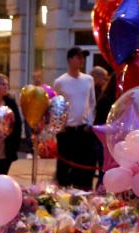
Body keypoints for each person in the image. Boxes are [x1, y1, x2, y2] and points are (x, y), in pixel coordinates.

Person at [53, 47, 97, 189]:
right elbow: (55, 105)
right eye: (78, 57)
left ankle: (82, 191)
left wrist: (90, 121)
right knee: (65, 165)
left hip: (83, 129)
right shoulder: (60, 82)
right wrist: (59, 126)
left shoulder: (88, 79)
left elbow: (92, 102)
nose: (81, 60)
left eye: (82, 58)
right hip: (67, 131)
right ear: (70, 59)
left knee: (83, 164)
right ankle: (63, 190)